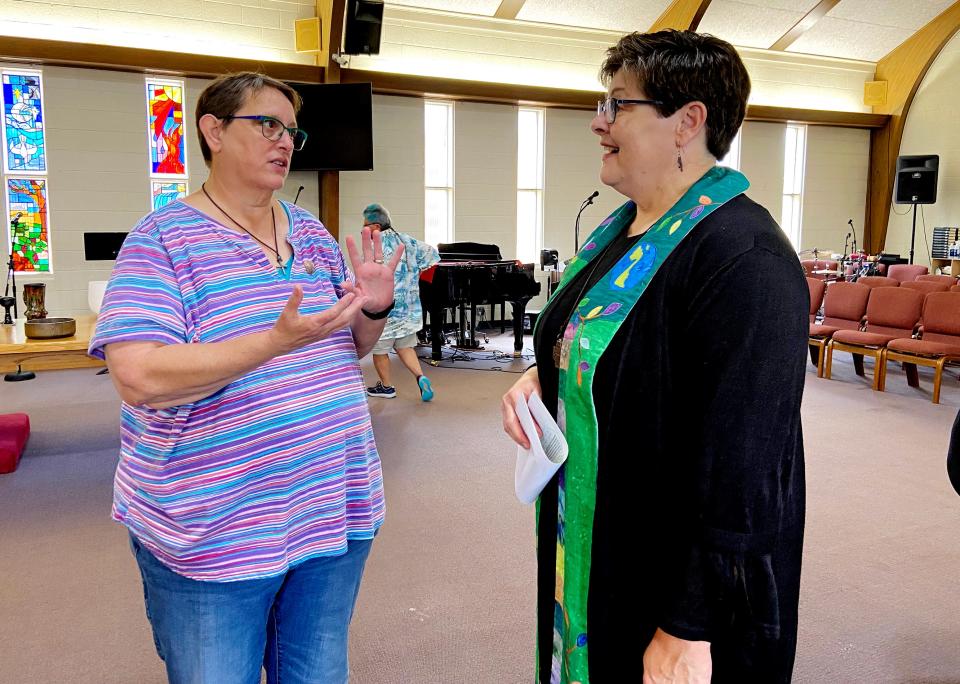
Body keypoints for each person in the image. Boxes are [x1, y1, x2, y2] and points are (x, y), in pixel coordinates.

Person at [501, 31, 807, 683]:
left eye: (617, 105)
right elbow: (606, 344)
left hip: (675, 585)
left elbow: (744, 467)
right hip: (605, 540)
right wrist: (545, 374)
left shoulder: (742, 256)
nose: (597, 122)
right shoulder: (627, 228)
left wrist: (689, 626)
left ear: (687, 123)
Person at [88, 72, 402, 684]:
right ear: (213, 131)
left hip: (330, 506)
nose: (285, 141)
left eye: (292, 131)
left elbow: (350, 350)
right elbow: (139, 375)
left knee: (315, 673)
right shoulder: (161, 239)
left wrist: (374, 307)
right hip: (216, 525)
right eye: (267, 125)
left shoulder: (310, 232)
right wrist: (271, 344)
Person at [361, 203, 440, 401]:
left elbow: (367, 276)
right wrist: (415, 272)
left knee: (380, 351)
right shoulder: (407, 241)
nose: (363, 229)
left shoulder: (372, 246)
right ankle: (421, 377)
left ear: (376, 227)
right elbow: (433, 254)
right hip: (408, 309)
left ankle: (387, 387)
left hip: (384, 310)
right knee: (405, 347)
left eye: (365, 225)